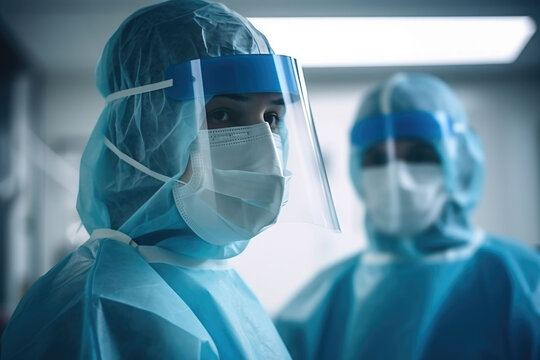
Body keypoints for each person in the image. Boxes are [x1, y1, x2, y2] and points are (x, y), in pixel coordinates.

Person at [0, 1, 339, 358]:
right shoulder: (96, 308)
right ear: (146, 133)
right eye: (221, 113)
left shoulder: (216, 279)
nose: (261, 143)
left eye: (272, 116)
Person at [275, 72, 540, 360]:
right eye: (377, 159)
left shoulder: (525, 281)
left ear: (460, 162)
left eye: (418, 155)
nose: (397, 177)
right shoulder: (322, 299)